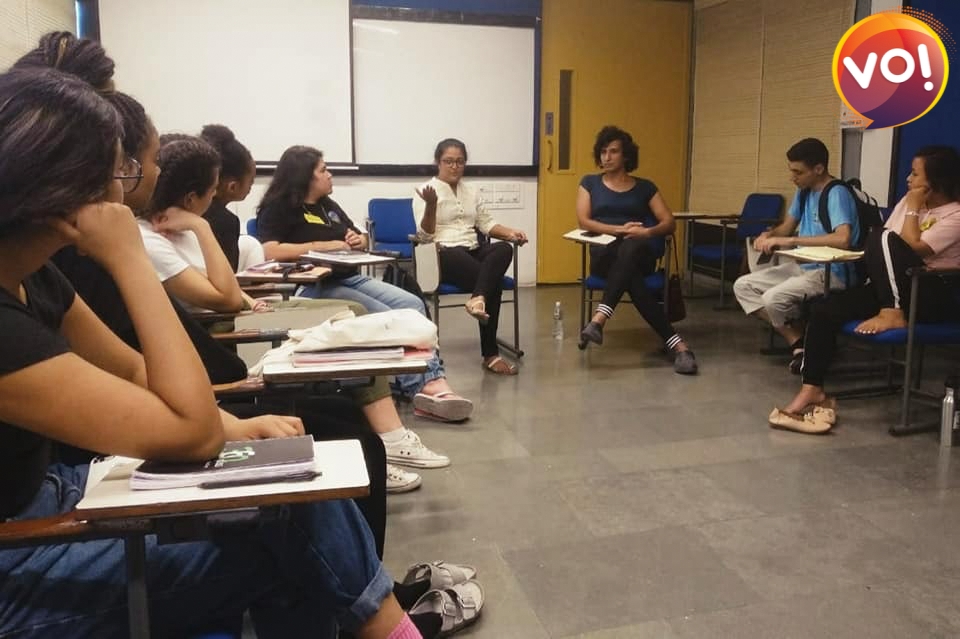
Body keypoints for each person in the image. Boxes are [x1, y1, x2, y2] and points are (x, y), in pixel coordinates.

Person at [0, 66, 422, 639]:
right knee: (296, 528)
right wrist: (129, 257)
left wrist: (235, 428)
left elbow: (133, 368)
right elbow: (190, 430)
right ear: (67, 188)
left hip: (57, 493)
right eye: (122, 170)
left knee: (299, 489)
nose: (126, 188)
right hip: (19, 563)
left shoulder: (34, 275)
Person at [137, 135, 449, 491]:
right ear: (192, 198)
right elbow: (222, 297)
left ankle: (392, 436)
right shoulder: (156, 238)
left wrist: (246, 298)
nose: (215, 198)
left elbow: (227, 286)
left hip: (245, 312)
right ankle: (390, 438)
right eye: (212, 190)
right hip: (224, 330)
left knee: (359, 310)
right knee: (355, 318)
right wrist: (202, 228)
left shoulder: (182, 229)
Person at [256, 145, 474, 420]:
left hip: (349, 276)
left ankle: (428, 381)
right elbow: (269, 250)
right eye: (324, 170)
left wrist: (359, 240)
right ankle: (426, 388)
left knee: (413, 304)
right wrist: (324, 245)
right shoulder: (279, 208)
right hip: (316, 286)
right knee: (388, 316)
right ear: (305, 176)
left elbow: (359, 236)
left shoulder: (327, 206)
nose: (330, 175)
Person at [770, 146, 960, 434]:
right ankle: (813, 389)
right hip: (894, 287)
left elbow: (910, 247)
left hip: (931, 295)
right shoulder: (907, 202)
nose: (908, 179)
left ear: (935, 181)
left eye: (915, 174)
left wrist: (913, 207)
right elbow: (884, 249)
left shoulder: (955, 215)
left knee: (882, 235)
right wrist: (910, 206)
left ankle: (893, 312)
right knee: (823, 309)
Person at [576, 125, 698, 375]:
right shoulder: (589, 183)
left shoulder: (645, 187)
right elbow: (584, 222)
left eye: (613, 151)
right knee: (632, 277)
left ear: (626, 156)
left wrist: (647, 233)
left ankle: (599, 319)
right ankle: (679, 346)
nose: (606, 157)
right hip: (604, 256)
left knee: (631, 247)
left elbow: (669, 223)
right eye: (603, 151)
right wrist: (618, 230)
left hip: (640, 254)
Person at [733, 138, 861, 373]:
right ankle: (799, 341)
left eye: (798, 172)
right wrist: (770, 235)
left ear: (818, 169)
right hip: (804, 267)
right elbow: (787, 227)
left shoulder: (837, 193)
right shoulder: (804, 192)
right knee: (743, 286)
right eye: (791, 170)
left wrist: (792, 241)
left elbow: (842, 238)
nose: (793, 177)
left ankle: (808, 339)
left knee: (773, 299)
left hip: (832, 272)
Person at [413, 138, 527, 375]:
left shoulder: (471, 191)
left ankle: (477, 299)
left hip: (473, 249)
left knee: (504, 249)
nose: (454, 166)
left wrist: (510, 233)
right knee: (493, 282)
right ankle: (490, 354)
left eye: (460, 161)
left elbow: (486, 224)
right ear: (438, 162)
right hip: (444, 254)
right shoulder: (425, 191)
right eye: (448, 161)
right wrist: (431, 205)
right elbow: (425, 236)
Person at [199, 123, 264, 272]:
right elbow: (227, 277)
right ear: (232, 187)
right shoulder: (226, 222)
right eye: (251, 181)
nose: (251, 187)